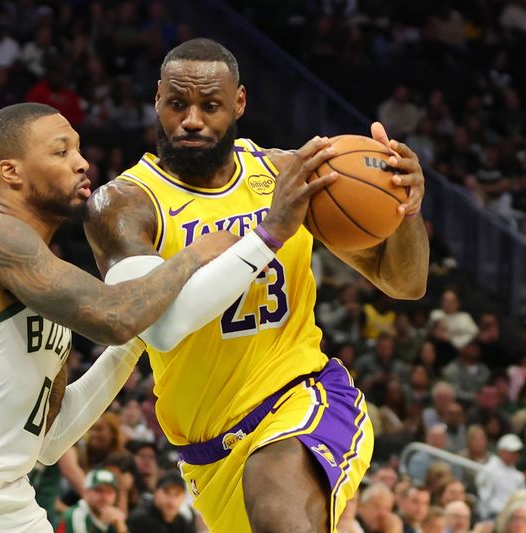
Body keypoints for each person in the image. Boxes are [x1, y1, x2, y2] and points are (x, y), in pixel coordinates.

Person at [84, 38, 429, 532]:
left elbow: (405, 282)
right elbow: (157, 329)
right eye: (178, 104)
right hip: (208, 453)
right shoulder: (125, 204)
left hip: (303, 398)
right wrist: (270, 233)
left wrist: (407, 209)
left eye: (211, 105)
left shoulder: (286, 174)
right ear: (157, 99)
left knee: (278, 511)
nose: (193, 120)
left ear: (239, 103)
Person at [0, 103, 235, 532]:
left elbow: (48, 442)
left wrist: (136, 343)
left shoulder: (50, 292)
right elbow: (115, 316)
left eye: (79, 150)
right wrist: (195, 255)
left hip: (10, 501)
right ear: (11, 172)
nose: (82, 162)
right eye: (61, 151)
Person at [56, 468, 127, 533]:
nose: (104, 497)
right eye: (99, 490)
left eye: (109, 492)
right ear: (86, 492)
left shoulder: (113, 517)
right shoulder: (76, 517)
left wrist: (120, 526)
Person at [126, 471, 196, 533]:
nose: (171, 500)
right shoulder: (140, 519)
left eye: (177, 494)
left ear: (183, 498)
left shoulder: (182, 522)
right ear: (155, 492)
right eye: (167, 492)